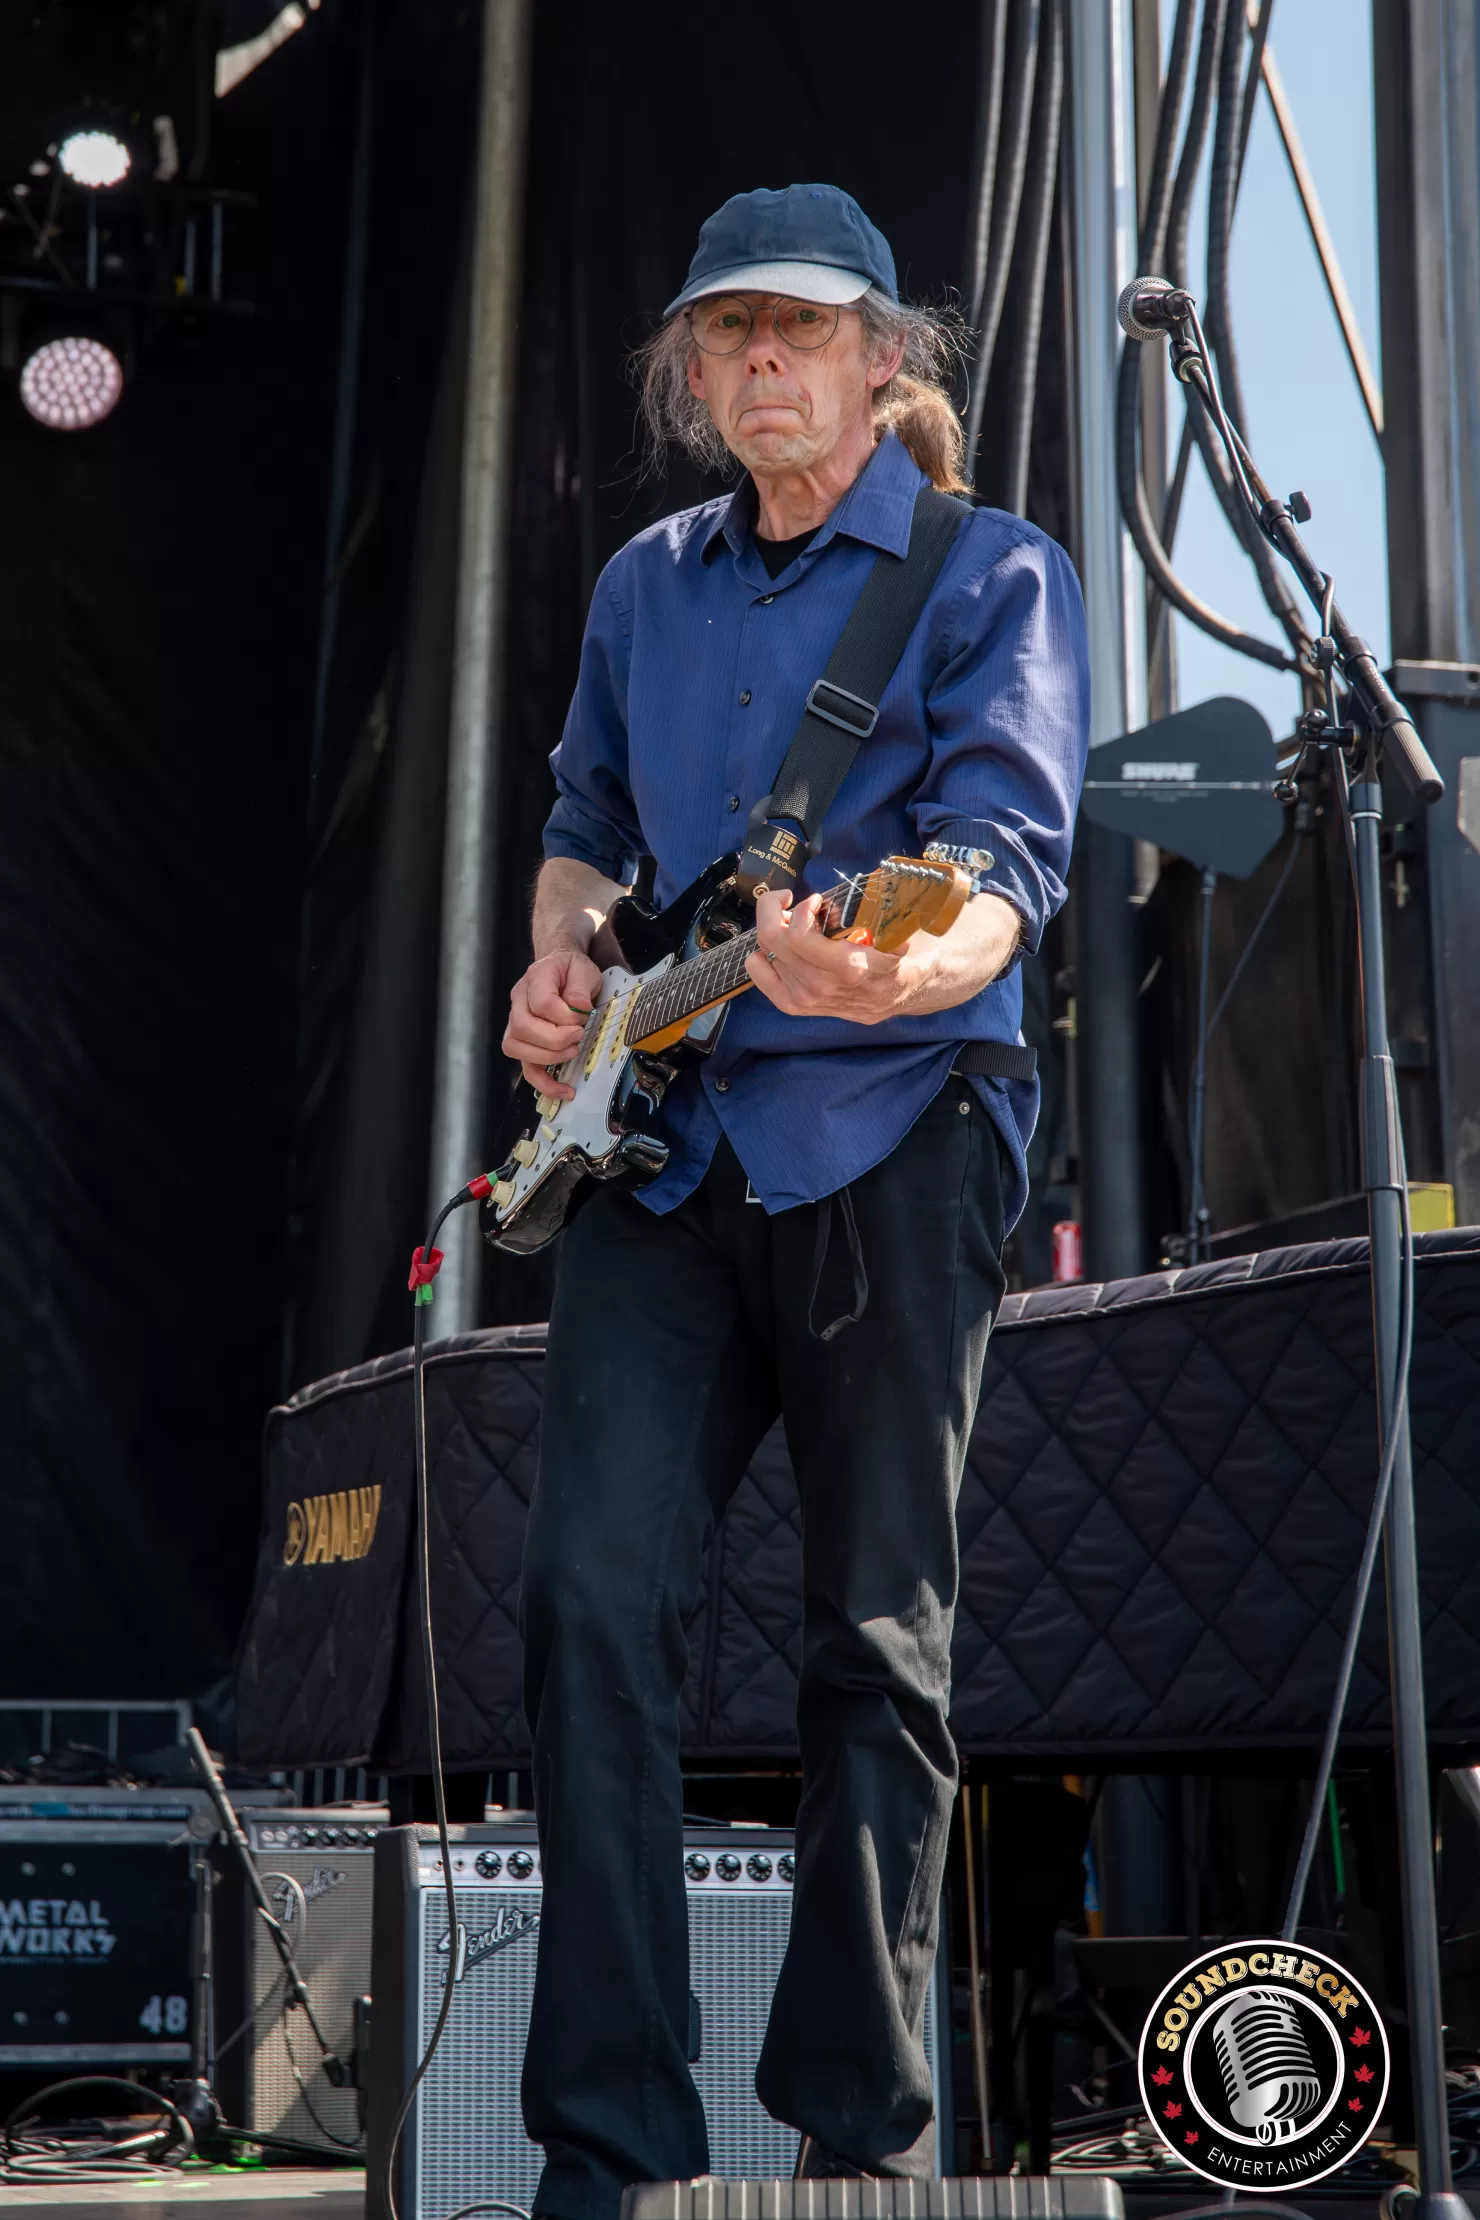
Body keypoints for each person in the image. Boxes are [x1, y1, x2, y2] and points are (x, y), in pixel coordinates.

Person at [502, 183, 1089, 2218]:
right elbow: (585, 831)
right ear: (693, 369)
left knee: (875, 1643)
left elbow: (999, 873)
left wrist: (886, 975)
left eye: (803, 327)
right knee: (587, 1606)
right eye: (728, 330)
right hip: (663, 1151)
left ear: (880, 357)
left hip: (890, 1131)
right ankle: (610, 2156)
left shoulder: (990, 572)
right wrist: (560, 962)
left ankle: (856, 2143)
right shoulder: (642, 587)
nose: (761, 357)